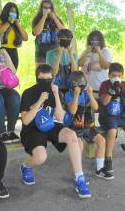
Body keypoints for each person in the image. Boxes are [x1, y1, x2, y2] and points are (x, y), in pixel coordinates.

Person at [19, 64, 91, 198]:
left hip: (51, 124)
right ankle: (25, 166)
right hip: (32, 129)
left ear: (53, 78)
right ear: (37, 78)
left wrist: (57, 95)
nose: (45, 82)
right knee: (40, 157)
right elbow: (25, 121)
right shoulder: (28, 93)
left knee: (73, 136)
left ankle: (79, 178)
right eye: (42, 79)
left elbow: (60, 117)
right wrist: (40, 100)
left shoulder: (55, 91)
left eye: (48, 79)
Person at [64, 71, 113, 180]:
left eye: (82, 86)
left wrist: (90, 95)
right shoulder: (68, 94)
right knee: (79, 146)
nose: (81, 88)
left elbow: (95, 107)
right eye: (78, 86)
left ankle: (99, 169)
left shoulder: (85, 94)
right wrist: (76, 95)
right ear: (72, 86)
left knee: (101, 141)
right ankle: (78, 173)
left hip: (86, 125)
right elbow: (72, 111)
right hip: (74, 126)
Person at [0, 2, 28, 70]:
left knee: (12, 74)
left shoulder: (16, 24)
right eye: (11, 11)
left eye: (15, 12)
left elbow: (25, 38)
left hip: (13, 51)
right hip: (1, 50)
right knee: (0, 72)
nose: (13, 13)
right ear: (6, 11)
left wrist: (18, 24)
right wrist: (9, 22)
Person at [78, 30, 112, 97]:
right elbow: (79, 64)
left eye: (97, 40)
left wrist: (99, 52)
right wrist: (87, 52)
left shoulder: (105, 51)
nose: (94, 43)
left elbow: (106, 66)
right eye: (92, 40)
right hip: (85, 89)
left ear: (101, 41)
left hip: (100, 89)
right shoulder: (85, 52)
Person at [32, 0, 65, 67]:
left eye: (49, 8)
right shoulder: (37, 19)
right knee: (41, 75)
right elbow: (36, 32)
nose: (47, 10)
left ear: (52, 9)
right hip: (41, 53)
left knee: (55, 75)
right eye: (45, 8)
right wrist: (43, 17)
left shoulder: (56, 19)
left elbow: (64, 31)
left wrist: (55, 18)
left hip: (55, 52)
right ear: (41, 8)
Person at [46, 28, 78, 95]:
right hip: (55, 87)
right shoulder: (50, 54)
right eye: (63, 38)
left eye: (68, 38)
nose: (65, 40)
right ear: (58, 39)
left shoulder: (74, 55)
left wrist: (71, 56)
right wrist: (59, 56)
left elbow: (74, 73)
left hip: (70, 87)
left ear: (71, 40)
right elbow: (53, 73)